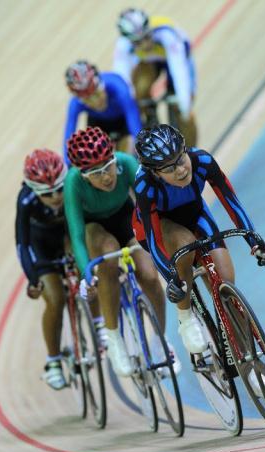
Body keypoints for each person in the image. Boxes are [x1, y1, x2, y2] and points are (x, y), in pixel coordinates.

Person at [132, 124, 265, 396]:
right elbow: (153, 240)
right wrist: (172, 279)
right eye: (168, 168)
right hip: (161, 226)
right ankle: (186, 318)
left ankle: (248, 362)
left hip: (196, 213)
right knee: (184, 245)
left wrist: (255, 242)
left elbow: (231, 202)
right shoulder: (145, 187)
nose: (180, 170)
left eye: (180, 159)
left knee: (225, 285)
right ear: (154, 172)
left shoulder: (203, 161)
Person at [64, 126, 180, 377]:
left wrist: (159, 248)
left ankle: (160, 340)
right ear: (83, 175)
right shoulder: (72, 183)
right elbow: (76, 234)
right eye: (97, 172)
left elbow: (149, 212)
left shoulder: (127, 164)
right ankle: (114, 338)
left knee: (149, 275)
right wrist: (87, 273)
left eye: (108, 166)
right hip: (94, 228)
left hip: (124, 216)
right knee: (108, 253)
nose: (106, 176)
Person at [15, 149, 68, 390]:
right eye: (47, 194)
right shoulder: (26, 200)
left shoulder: (74, 184)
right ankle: (53, 362)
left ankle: (100, 327)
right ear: (34, 191)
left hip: (68, 236)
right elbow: (22, 243)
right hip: (41, 246)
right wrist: (32, 278)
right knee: (56, 299)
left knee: (92, 280)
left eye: (59, 188)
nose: (56, 197)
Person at [114, 8, 198, 146]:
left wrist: (184, 105)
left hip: (177, 60)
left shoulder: (166, 35)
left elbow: (179, 71)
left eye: (147, 36)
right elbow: (121, 80)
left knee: (184, 109)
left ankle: (190, 149)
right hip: (149, 63)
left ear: (150, 28)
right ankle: (149, 118)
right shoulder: (123, 45)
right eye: (138, 42)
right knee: (139, 91)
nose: (145, 44)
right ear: (128, 40)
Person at [63, 60, 142, 166]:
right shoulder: (75, 103)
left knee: (127, 158)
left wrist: (140, 150)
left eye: (96, 95)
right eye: (87, 100)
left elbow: (135, 126)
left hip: (123, 119)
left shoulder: (118, 87)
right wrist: (68, 166)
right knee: (94, 159)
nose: (95, 103)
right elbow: (68, 138)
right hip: (98, 123)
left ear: (101, 86)